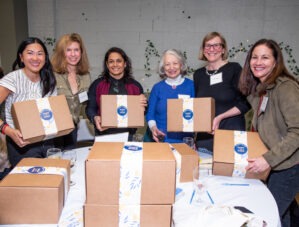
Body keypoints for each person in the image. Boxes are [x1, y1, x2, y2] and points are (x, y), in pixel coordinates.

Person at [239, 39, 299, 227]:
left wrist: (267, 159)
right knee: (279, 216)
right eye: (254, 57)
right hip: (276, 165)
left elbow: (297, 131)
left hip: (290, 166)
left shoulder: (285, 88)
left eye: (265, 57)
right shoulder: (261, 90)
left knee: (266, 216)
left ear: (275, 61)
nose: (258, 62)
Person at [0, 37, 57, 167]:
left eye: (40, 53)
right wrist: (7, 130)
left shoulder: (49, 80)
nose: (35, 58)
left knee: (51, 181)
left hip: (48, 142)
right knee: (31, 185)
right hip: (22, 145)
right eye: (30, 53)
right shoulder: (12, 79)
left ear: (45, 57)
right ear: (21, 57)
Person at [193, 32, 250, 152]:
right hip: (205, 138)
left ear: (223, 49)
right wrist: (194, 136)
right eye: (208, 46)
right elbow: (198, 106)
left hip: (230, 135)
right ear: (203, 50)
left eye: (217, 45)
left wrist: (220, 117)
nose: (212, 49)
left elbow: (246, 103)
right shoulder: (198, 74)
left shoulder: (234, 69)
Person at [85, 47, 146, 141]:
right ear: (107, 64)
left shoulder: (136, 86)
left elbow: (143, 111)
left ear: (125, 64)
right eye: (111, 61)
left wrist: (145, 105)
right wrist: (94, 117)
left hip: (128, 135)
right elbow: (90, 108)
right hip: (103, 135)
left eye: (119, 61)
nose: (115, 64)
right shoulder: (97, 85)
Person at [51, 33, 91, 149]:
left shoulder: (85, 75)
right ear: (61, 53)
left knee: (70, 161)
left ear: (81, 52)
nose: (73, 54)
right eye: (68, 50)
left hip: (73, 129)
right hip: (54, 130)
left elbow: (86, 103)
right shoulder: (52, 75)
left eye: (76, 50)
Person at [146, 49, 195, 143]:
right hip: (161, 140)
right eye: (167, 64)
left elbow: (198, 113)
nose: (171, 67)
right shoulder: (157, 88)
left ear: (181, 65)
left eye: (175, 63)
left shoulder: (191, 86)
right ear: (163, 68)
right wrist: (153, 128)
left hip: (185, 141)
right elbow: (150, 114)